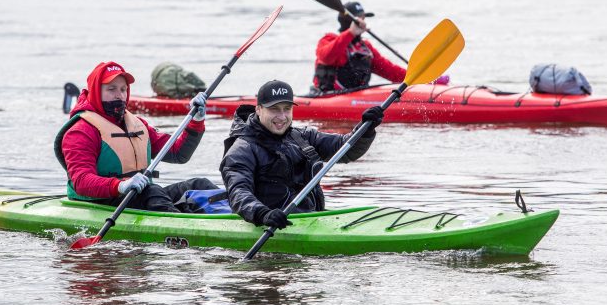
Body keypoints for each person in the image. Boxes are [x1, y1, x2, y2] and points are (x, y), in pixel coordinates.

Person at [54, 61, 218, 212]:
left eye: (123, 89)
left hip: (141, 196)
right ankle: (185, 229)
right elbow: (81, 181)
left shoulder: (138, 124)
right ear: (96, 92)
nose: (119, 95)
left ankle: (233, 217)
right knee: (151, 191)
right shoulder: (81, 131)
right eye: (112, 89)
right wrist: (120, 186)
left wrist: (196, 121)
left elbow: (178, 153)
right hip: (99, 203)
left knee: (200, 185)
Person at [220, 80, 384, 229]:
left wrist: (365, 129)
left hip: (310, 219)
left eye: (287, 109)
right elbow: (238, 192)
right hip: (267, 223)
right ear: (258, 109)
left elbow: (345, 149)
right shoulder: (242, 149)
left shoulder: (303, 137)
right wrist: (262, 214)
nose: (282, 117)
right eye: (274, 109)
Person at [312, 1, 407, 93]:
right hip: (329, 97)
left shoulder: (365, 48)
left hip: (358, 99)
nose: (363, 22)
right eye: (359, 19)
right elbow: (326, 57)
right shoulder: (329, 40)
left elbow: (389, 70)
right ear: (348, 21)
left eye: (363, 18)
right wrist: (351, 33)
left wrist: (413, 77)